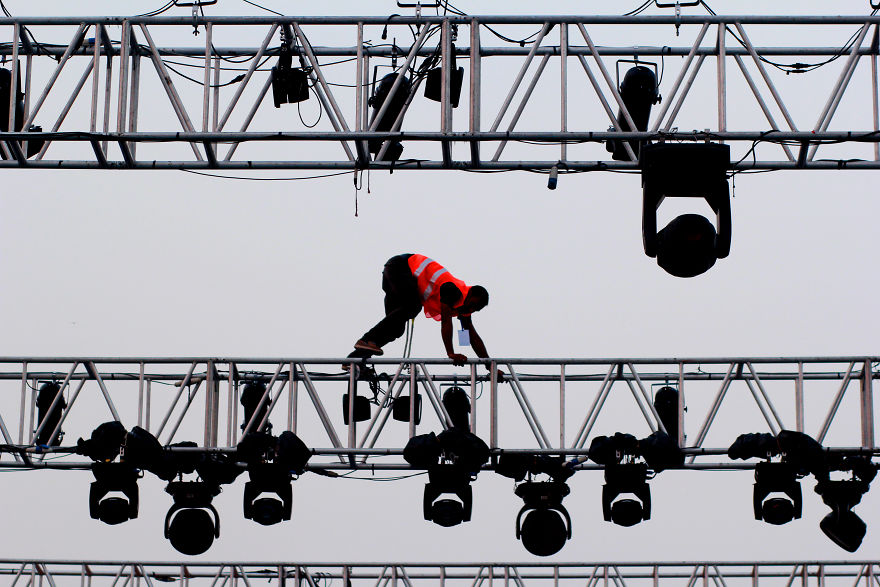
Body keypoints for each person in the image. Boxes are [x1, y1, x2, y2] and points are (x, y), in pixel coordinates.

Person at [349, 254, 501, 378]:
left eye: (476, 310)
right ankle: (367, 339)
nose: (471, 310)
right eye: (473, 305)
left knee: (396, 328)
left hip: (395, 275)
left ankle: (355, 359)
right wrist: (450, 353)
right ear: (470, 294)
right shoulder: (453, 290)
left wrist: (490, 367)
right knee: (412, 306)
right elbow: (446, 323)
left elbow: (473, 336)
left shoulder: (464, 306)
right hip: (399, 268)